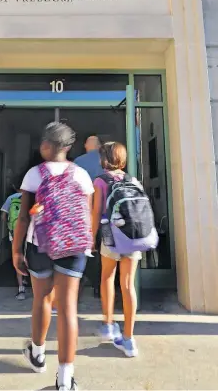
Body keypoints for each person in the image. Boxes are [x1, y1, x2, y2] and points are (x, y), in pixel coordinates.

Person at [12, 122, 94, 391]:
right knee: (68, 307)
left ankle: (37, 355)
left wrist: (16, 250)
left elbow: (23, 217)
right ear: (69, 147)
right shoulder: (82, 175)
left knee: (42, 299)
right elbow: (88, 217)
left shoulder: (34, 175)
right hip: (74, 247)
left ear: (44, 145)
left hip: (41, 246)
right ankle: (65, 379)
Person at [92, 141, 140, 358]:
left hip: (111, 233)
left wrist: (90, 237)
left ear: (104, 158)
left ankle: (108, 324)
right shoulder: (133, 180)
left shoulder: (101, 181)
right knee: (128, 284)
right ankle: (129, 340)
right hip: (133, 235)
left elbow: (96, 213)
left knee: (107, 278)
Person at [75, 136, 104, 298]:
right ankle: (99, 286)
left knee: (85, 248)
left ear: (87, 145)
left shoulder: (78, 161)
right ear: (99, 146)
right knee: (103, 249)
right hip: (105, 213)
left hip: (83, 212)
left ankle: (81, 279)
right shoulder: (107, 160)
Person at [1, 186, 26, 300]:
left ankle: (21, 289)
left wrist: (10, 228)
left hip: (14, 233)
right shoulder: (32, 197)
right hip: (30, 234)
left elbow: (3, 217)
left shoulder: (11, 198)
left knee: (17, 258)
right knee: (31, 258)